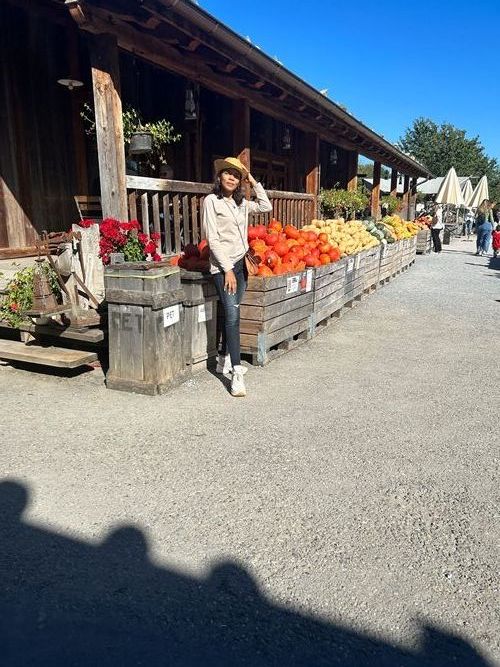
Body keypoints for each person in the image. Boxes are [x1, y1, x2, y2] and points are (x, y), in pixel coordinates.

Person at [202, 157, 272, 397]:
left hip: (241, 265)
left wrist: (252, 179)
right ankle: (237, 373)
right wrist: (227, 270)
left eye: (236, 175)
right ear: (219, 176)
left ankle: (225, 358)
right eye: (227, 173)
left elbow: (266, 206)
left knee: (232, 311)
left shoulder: (241, 203)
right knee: (232, 316)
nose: (231, 178)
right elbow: (212, 239)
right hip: (224, 267)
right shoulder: (212, 201)